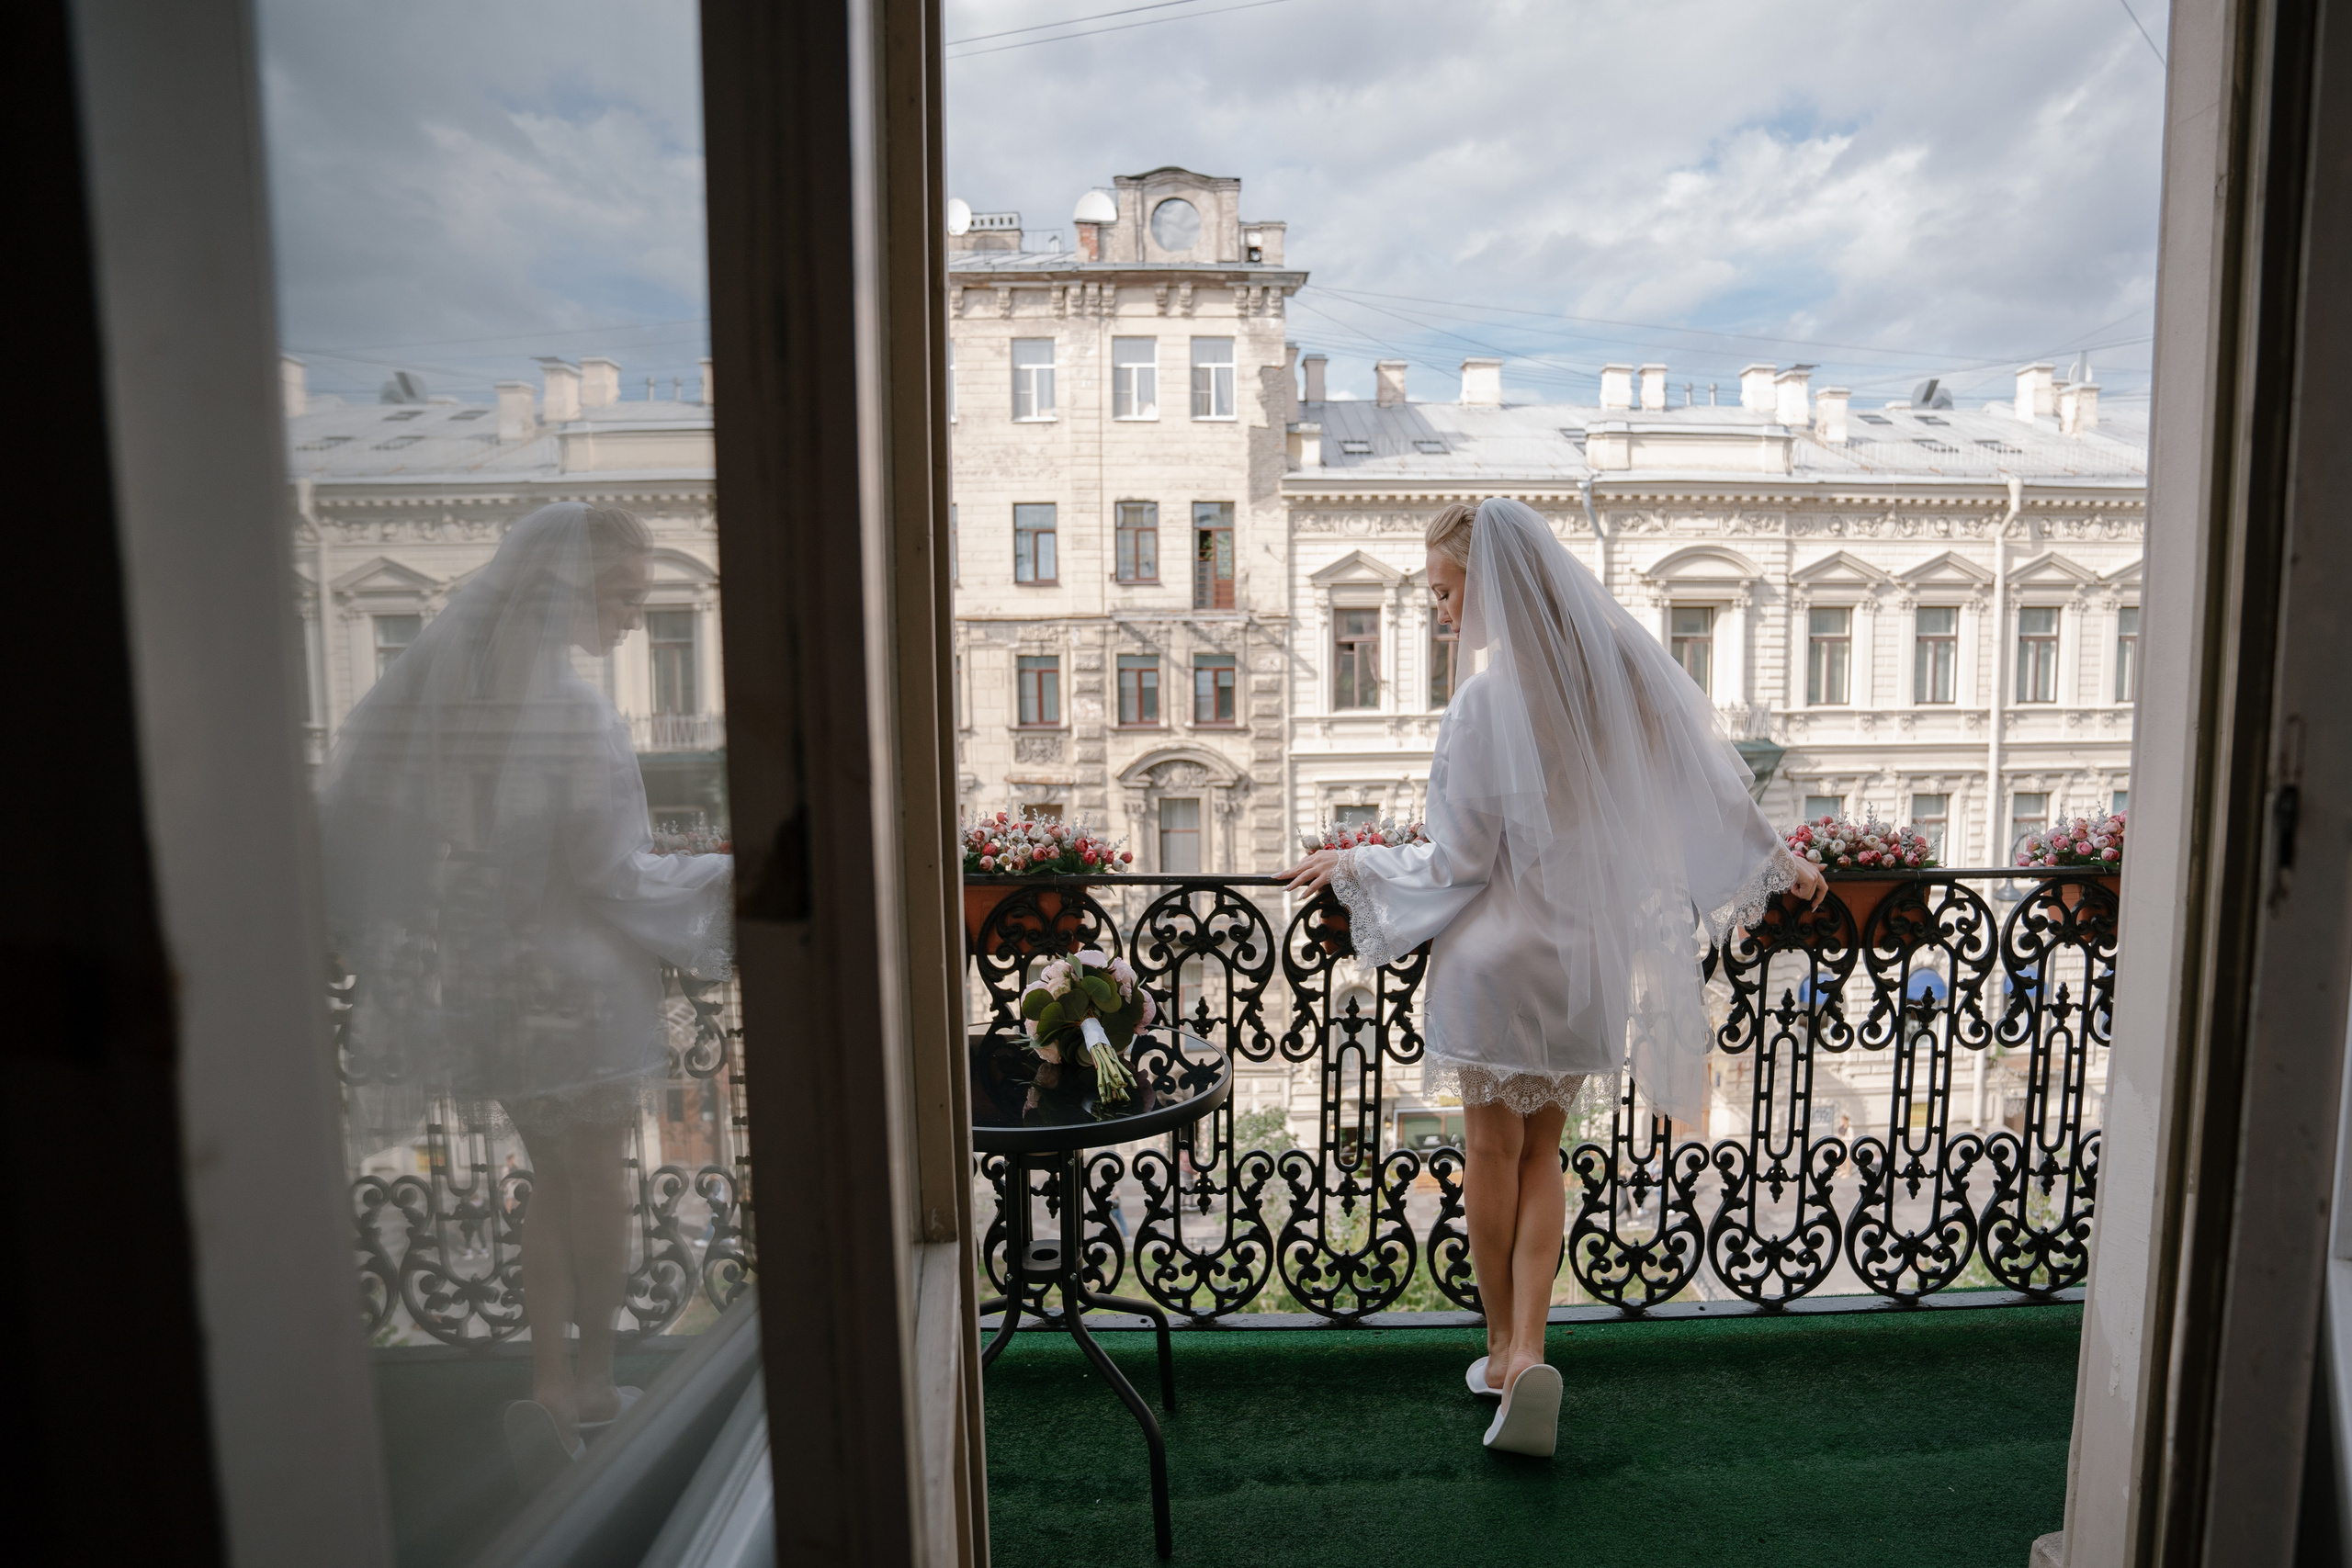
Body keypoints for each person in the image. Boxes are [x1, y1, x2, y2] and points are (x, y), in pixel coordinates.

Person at [1282, 497, 1822, 1457]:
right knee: (1545, 1156)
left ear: (1487, 583)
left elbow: (1454, 859)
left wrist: (1357, 863)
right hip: (1583, 961)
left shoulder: (1487, 702)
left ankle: (1498, 1352)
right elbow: (1714, 781)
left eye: (1448, 593)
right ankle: (1531, 1351)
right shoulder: (1620, 681)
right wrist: (1782, 861)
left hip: (1493, 960)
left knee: (1489, 1156)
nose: (1444, 613)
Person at [320, 502, 733, 1483]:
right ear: (573, 591)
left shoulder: (460, 693)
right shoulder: (571, 707)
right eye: (625, 594)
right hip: (578, 995)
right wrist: (725, 870)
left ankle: (549, 1382)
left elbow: (405, 831)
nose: (635, 614)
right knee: (596, 1192)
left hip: (490, 983)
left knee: (550, 1185)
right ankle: (592, 1383)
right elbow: (609, 873)